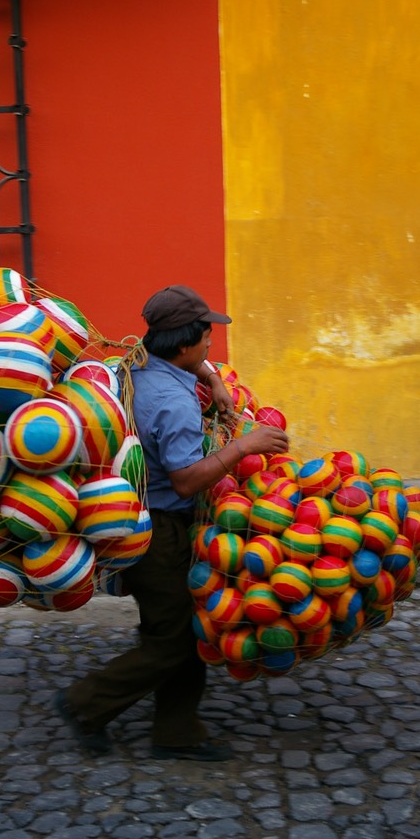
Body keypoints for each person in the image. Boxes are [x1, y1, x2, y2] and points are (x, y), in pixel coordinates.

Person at [55, 284, 289, 761]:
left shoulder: (142, 363)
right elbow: (185, 481)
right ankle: (84, 704)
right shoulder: (174, 404)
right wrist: (243, 447)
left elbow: (189, 363)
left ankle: (177, 732)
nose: (211, 344)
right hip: (158, 532)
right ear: (183, 343)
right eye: (206, 337)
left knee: (180, 626)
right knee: (174, 641)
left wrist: (212, 378)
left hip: (132, 514)